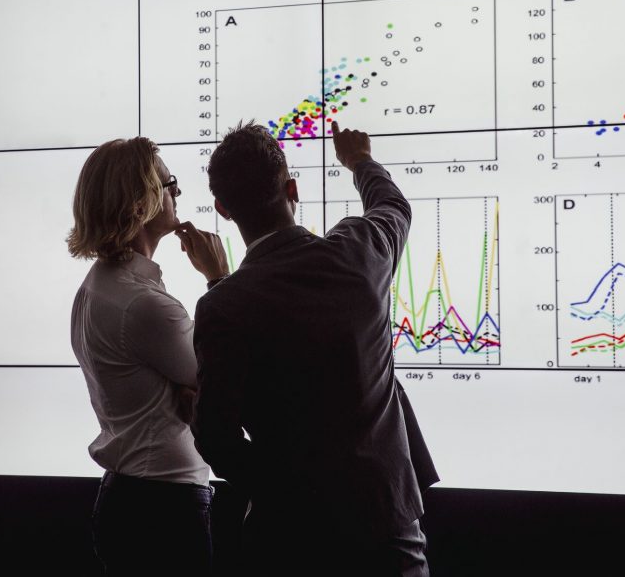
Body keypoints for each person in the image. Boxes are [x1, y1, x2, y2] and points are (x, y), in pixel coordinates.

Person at [190, 121, 439, 575]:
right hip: (387, 526)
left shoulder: (222, 305)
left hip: (290, 536)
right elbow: (393, 206)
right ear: (293, 188)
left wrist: (283, 488)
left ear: (223, 210)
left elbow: (214, 437)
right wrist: (359, 161)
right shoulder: (360, 252)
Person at [67, 137, 228, 577]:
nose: (176, 193)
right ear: (139, 202)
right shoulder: (143, 305)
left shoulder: (98, 287)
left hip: (132, 499)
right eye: (167, 184)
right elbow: (229, 380)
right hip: (164, 508)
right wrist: (220, 280)